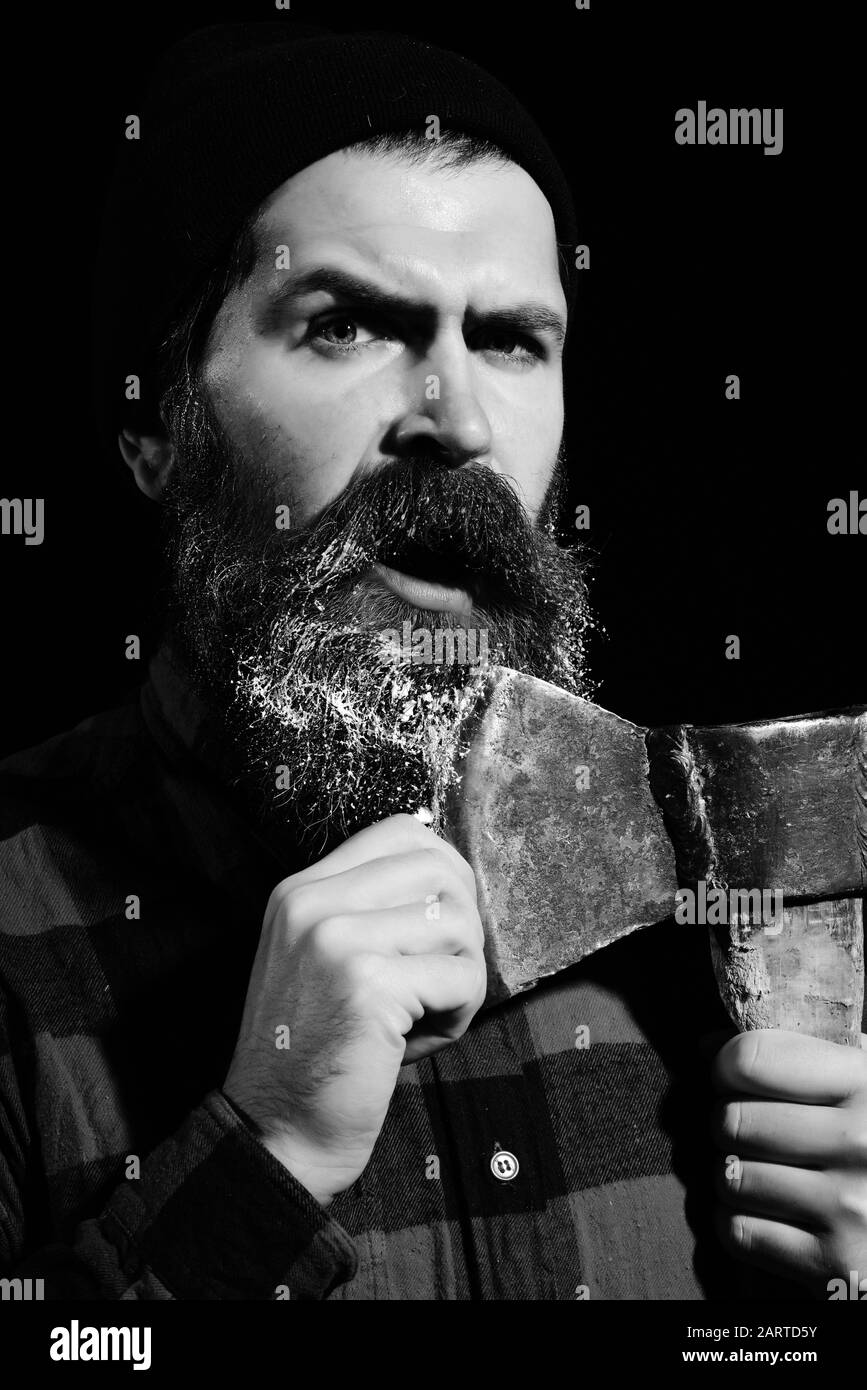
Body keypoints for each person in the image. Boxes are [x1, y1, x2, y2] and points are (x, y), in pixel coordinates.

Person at [1, 20, 864, 1302]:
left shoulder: (720, 919)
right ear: (156, 429)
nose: (457, 422)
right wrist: (266, 1150)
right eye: (347, 325)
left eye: (512, 340)